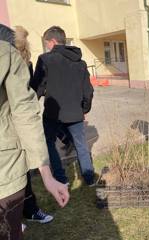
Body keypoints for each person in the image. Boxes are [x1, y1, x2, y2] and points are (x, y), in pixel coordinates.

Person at [0, 23, 69, 240]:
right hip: (7, 171)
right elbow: (25, 109)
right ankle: (30, 211)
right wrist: (47, 176)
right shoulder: (10, 54)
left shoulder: (32, 60)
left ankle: (30, 211)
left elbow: (29, 96)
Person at [30, 26, 95, 186]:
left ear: (52, 41)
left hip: (53, 114)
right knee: (81, 145)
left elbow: (37, 87)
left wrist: (31, 105)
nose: (46, 47)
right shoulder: (80, 63)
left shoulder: (45, 59)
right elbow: (88, 90)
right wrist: (84, 109)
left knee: (49, 143)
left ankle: (61, 179)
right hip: (75, 114)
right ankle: (89, 179)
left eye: (46, 44)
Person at [14, 25, 54, 224]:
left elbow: (27, 95)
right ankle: (11, 216)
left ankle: (28, 210)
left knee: (23, 171)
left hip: (19, 126)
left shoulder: (26, 64)